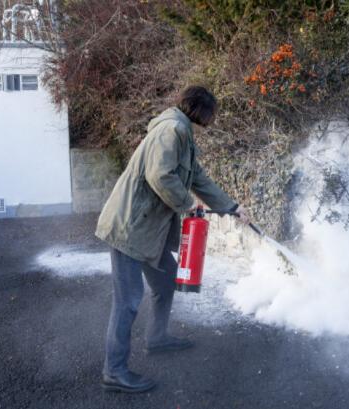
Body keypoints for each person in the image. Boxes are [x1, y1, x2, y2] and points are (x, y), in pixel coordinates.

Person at [95, 86, 250, 393]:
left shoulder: (182, 134)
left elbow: (198, 179)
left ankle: (157, 337)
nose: (213, 118)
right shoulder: (172, 130)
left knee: (165, 282)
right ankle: (113, 371)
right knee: (127, 301)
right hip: (129, 227)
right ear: (201, 109)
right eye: (212, 113)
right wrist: (188, 204)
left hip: (146, 230)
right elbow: (160, 175)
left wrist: (231, 207)